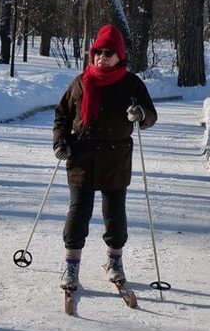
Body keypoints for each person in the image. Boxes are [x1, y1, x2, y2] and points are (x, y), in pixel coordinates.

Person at [52, 24, 157, 291]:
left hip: (116, 157)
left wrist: (141, 115)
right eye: (98, 52)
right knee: (78, 213)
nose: (102, 57)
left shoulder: (132, 84)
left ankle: (114, 262)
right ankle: (72, 265)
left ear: (119, 55)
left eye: (108, 53)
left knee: (114, 214)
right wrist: (60, 141)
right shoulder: (81, 82)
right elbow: (62, 115)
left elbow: (151, 115)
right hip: (82, 156)